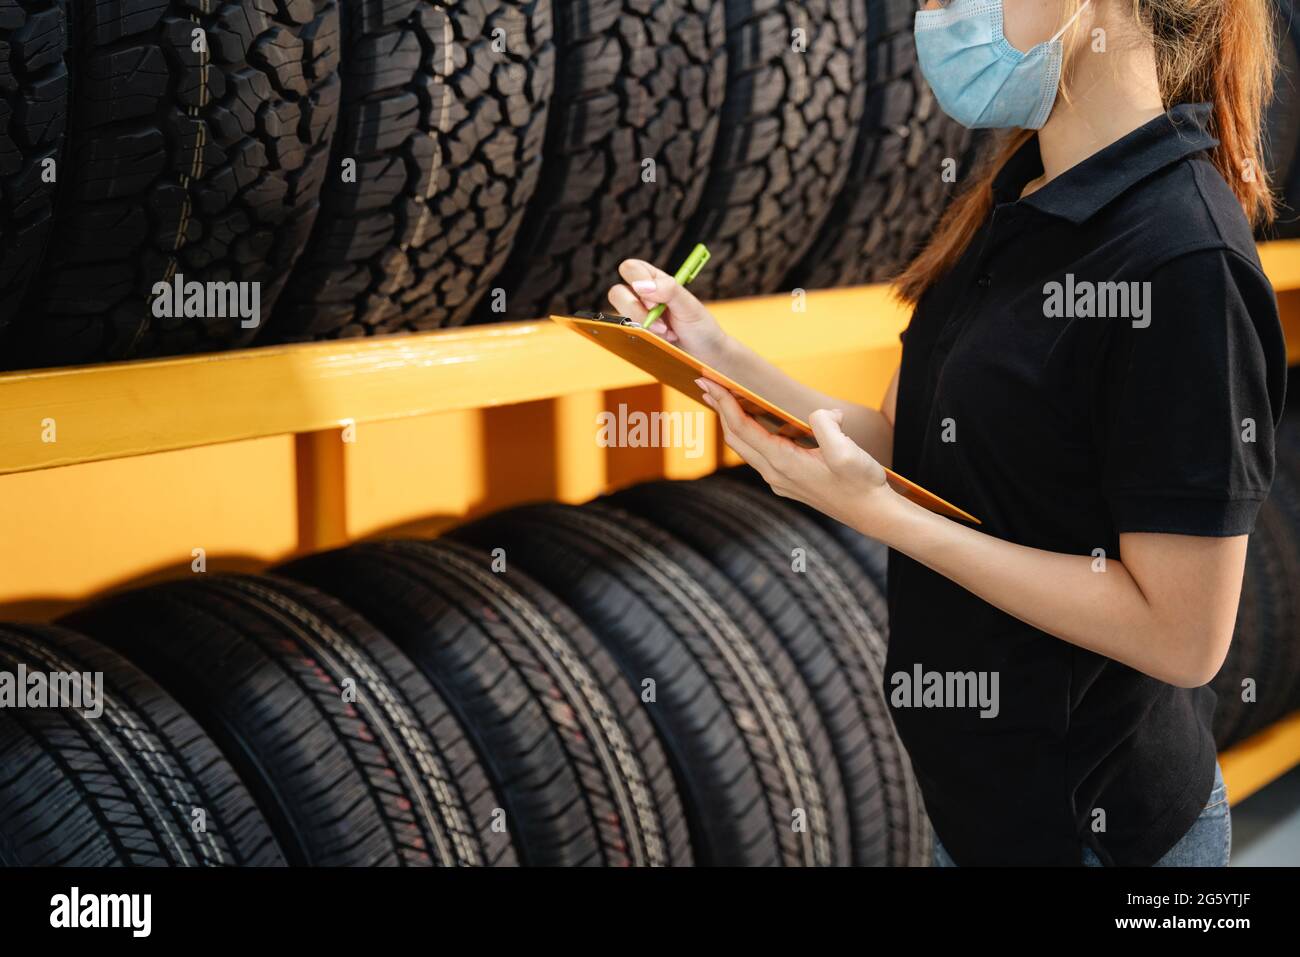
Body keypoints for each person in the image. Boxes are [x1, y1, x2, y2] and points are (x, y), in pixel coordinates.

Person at [606, 0, 1286, 866]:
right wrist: (715, 351)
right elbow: (904, 439)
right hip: (973, 815)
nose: (936, 12)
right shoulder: (1015, 201)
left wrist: (889, 521)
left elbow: (1184, 639)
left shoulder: (1185, 259)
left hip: (1093, 829)